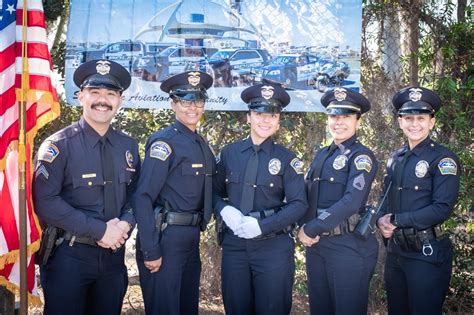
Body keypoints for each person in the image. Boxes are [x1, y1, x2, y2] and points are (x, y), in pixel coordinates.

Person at [33, 59, 140, 314]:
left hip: (113, 261)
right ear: (80, 96)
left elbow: (137, 194)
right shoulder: (59, 145)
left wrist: (125, 223)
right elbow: (45, 201)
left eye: (110, 94)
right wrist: (100, 230)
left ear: (120, 101)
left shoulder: (128, 146)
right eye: (95, 92)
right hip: (69, 258)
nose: (102, 100)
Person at [213, 82, 307, 315]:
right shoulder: (229, 153)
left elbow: (299, 204)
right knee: (236, 308)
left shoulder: (287, 159)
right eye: (259, 114)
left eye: (272, 115)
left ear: (277, 121)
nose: (265, 120)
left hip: (273, 248)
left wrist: (262, 226)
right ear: (249, 117)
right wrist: (224, 210)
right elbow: (212, 192)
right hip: (235, 246)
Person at [133, 71, 215, 315]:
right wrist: (150, 249)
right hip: (165, 238)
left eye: (198, 101)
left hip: (190, 235)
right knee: (164, 308)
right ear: (173, 104)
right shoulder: (164, 142)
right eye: (185, 101)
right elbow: (143, 196)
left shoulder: (200, 143)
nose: (193, 107)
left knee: (186, 306)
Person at [377, 87, 460, 315]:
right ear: (400, 122)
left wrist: (396, 220)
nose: (415, 124)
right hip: (396, 252)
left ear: (432, 122)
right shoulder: (396, 158)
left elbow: (442, 208)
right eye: (408, 118)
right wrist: (380, 221)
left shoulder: (443, 159)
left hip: (426, 253)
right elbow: (385, 197)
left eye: (421, 118)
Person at [298, 87, 379, 315]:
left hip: (348, 248)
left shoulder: (361, 156)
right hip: (318, 247)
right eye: (334, 116)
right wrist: (299, 225)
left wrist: (311, 228)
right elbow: (308, 195)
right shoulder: (322, 154)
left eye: (346, 116)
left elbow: (352, 201)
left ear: (358, 121)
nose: (339, 122)